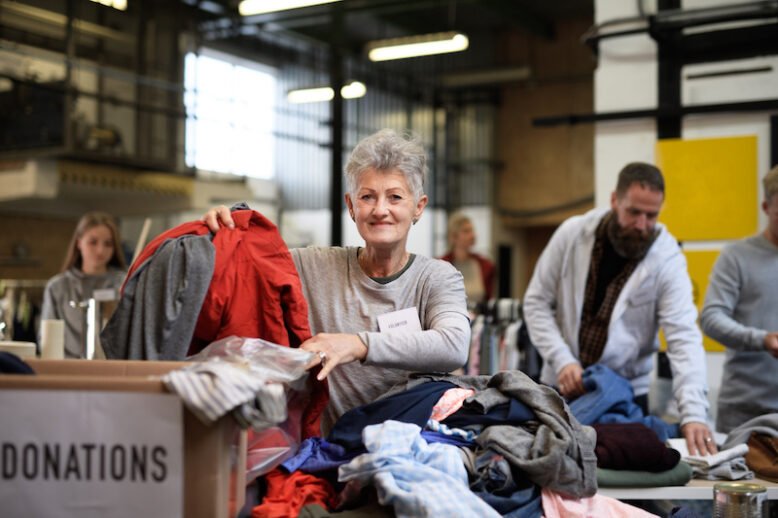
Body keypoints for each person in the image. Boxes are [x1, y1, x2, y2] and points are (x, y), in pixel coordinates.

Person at [204, 129, 470, 432]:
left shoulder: (436, 277)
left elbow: (454, 345)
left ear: (418, 207)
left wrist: (357, 345)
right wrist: (222, 227)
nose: (380, 210)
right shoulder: (310, 264)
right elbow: (244, 261)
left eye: (395, 197)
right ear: (351, 205)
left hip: (404, 453)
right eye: (367, 196)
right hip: (323, 453)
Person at [523, 162, 717, 456]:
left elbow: (684, 337)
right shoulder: (573, 234)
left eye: (651, 215)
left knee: (624, 483)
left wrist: (693, 414)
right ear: (615, 200)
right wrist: (562, 359)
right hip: (561, 385)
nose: (641, 225)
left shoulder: (668, 259)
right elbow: (536, 302)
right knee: (557, 472)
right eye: (634, 212)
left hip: (626, 394)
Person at [701, 165, 778, 434]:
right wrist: (762, 339)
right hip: (744, 411)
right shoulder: (737, 257)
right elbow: (711, 318)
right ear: (766, 207)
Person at [41, 211, 127, 358]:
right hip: (67, 370)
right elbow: (46, 339)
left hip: (114, 368)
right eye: (93, 242)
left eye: (108, 244)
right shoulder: (57, 287)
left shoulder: (125, 284)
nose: (100, 250)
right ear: (79, 242)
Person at [439, 212, 496, 309]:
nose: (473, 235)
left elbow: (489, 301)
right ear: (453, 237)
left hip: (478, 320)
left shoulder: (485, 265)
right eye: (466, 231)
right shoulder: (439, 266)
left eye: (472, 230)